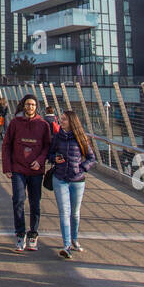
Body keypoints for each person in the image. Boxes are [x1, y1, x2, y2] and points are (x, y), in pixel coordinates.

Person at [2, 94, 51, 252]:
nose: (30, 107)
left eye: (33, 105)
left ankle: (33, 234)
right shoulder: (15, 123)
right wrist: (7, 167)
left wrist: (40, 161)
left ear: (36, 107)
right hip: (18, 168)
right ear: (23, 106)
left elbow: (47, 146)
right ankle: (20, 233)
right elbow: (7, 145)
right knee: (18, 200)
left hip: (36, 170)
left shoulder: (43, 125)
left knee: (35, 203)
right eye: (28, 104)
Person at [48, 109, 97, 258]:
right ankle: (66, 245)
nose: (61, 122)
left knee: (75, 213)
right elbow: (49, 154)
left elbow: (91, 158)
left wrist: (81, 168)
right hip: (60, 178)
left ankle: (74, 240)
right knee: (64, 212)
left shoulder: (81, 138)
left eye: (64, 119)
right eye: (61, 119)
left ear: (72, 122)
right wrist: (54, 158)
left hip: (77, 180)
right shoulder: (57, 137)